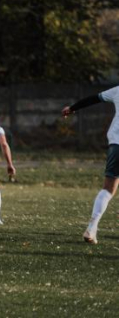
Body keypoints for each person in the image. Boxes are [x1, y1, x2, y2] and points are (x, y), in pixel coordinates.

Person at [62, 87, 119, 244]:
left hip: (116, 144)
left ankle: (92, 228)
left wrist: (72, 108)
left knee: (108, 189)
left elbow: (94, 98)